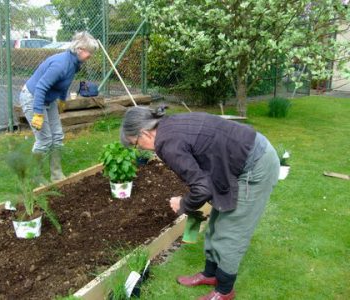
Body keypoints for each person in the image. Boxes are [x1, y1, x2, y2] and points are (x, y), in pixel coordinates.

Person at [120, 106, 280, 300]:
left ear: (144, 132)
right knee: (215, 225)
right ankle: (211, 274)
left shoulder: (167, 143)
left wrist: (183, 204)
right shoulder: (168, 126)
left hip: (255, 165)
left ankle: (224, 291)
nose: (139, 149)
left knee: (230, 234)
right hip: (235, 160)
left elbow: (202, 189)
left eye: (135, 143)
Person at [18, 31, 98, 184]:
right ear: (80, 49)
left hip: (50, 99)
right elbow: (41, 87)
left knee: (57, 137)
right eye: (90, 52)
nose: (91, 56)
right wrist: (38, 114)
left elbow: (64, 84)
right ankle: (37, 177)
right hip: (33, 97)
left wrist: (62, 100)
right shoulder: (61, 64)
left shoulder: (75, 64)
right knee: (44, 139)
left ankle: (56, 175)